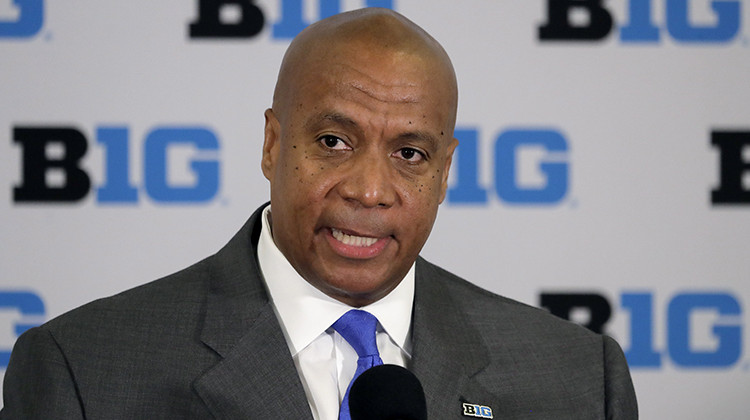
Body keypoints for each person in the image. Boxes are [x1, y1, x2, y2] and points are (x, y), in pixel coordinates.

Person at [1, 8, 637, 420]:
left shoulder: (579, 382)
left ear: (444, 172)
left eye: (410, 153)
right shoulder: (82, 373)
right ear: (273, 144)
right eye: (334, 142)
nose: (368, 190)